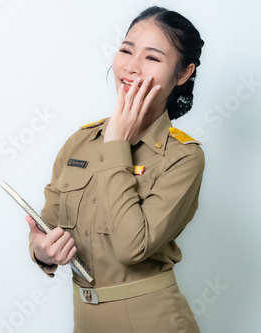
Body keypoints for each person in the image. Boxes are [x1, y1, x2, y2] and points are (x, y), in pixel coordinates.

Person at [25, 6, 205, 333]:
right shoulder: (79, 142)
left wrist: (116, 143)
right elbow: (47, 225)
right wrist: (42, 251)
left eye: (152, 58)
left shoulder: (184, 157)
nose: (131, 67)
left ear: (182, 73)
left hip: (152, 319)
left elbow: (131, 246)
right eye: (125, 50)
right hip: (86, 317)